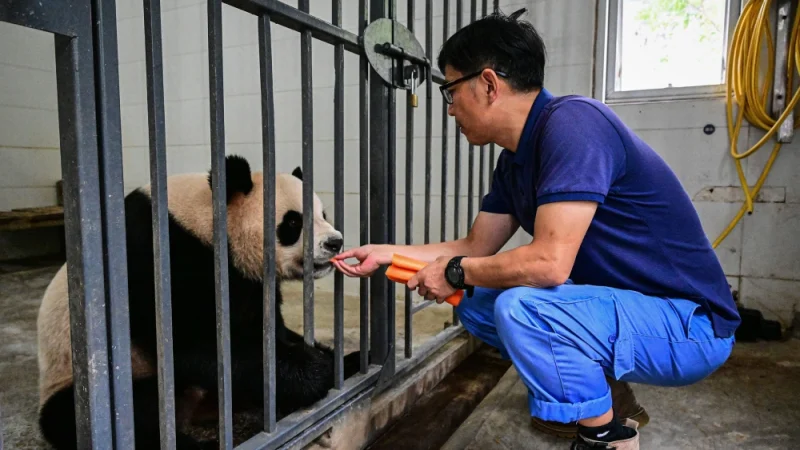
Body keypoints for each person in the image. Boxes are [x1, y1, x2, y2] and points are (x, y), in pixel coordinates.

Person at [332, 8, 739, 450]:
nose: (449, 109)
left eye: (450, 92)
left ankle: (606, 436)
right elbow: (474, 247)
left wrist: (453, 272)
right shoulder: (514, 160)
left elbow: (548, 264)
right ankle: (610, 399)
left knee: (522, 308)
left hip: (689, 325)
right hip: (633, 309)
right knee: (476, 301)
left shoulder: (575, 125)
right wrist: (387, 254)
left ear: (488, 84)